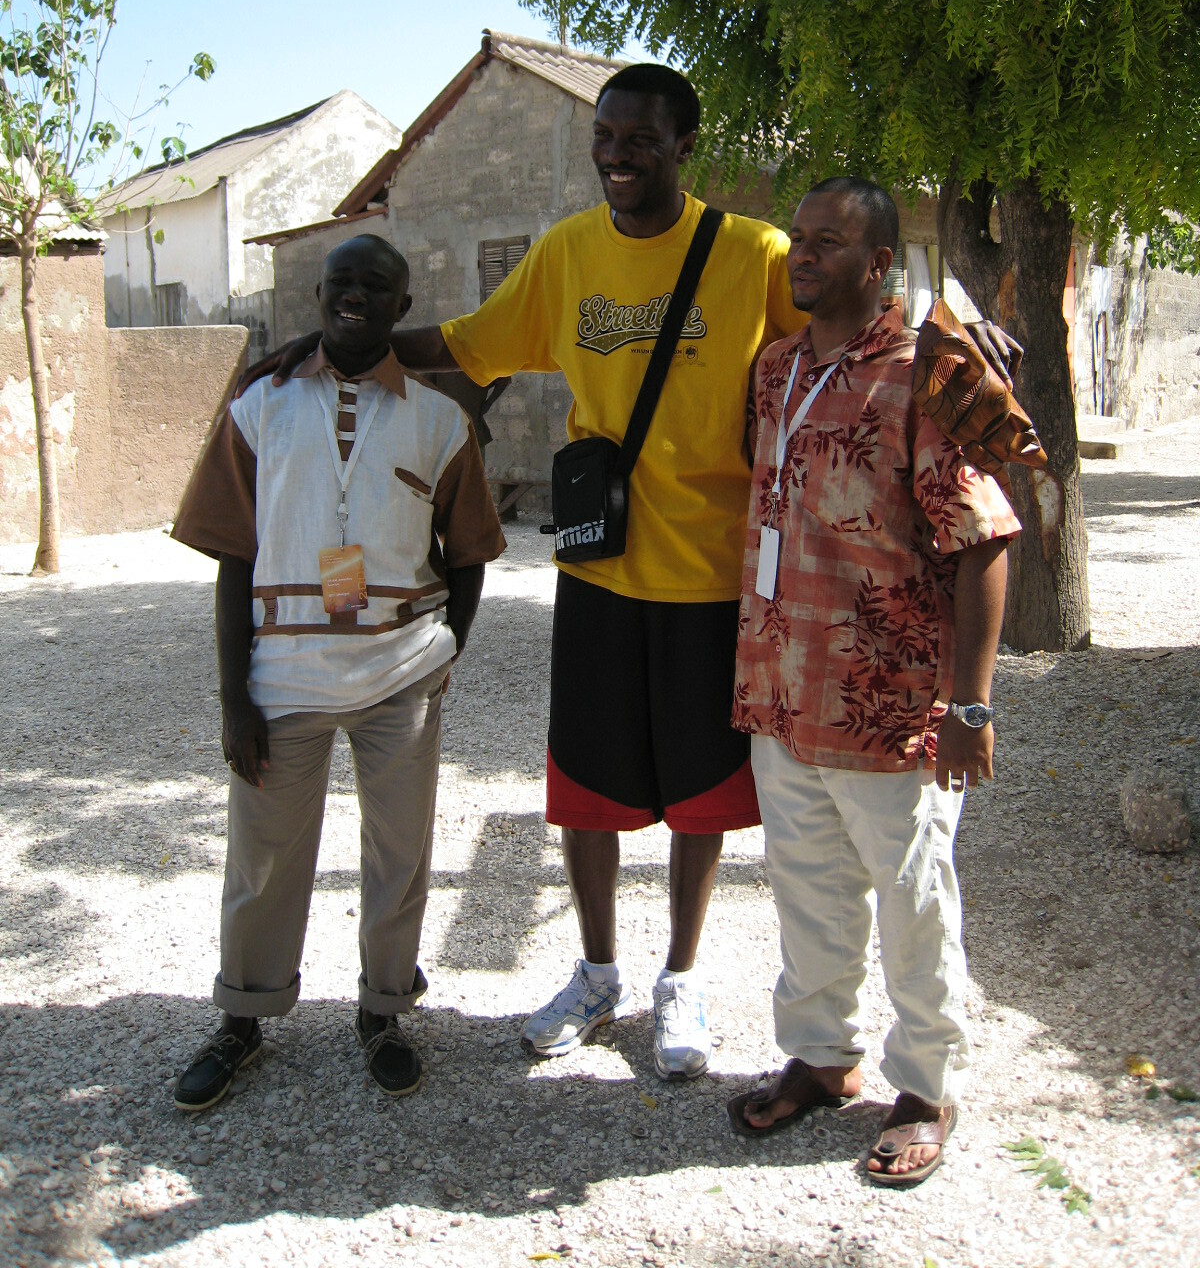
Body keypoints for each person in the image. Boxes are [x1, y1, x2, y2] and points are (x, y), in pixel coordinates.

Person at [251, 66, 1021, 1084]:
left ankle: (681, 978)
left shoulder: (752, 254)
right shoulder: (568, 253)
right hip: (601, 568)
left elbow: (849, 313)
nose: (617, 155)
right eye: (606, 138)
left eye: (640, 140)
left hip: (715, 578)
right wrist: (343, 341)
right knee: (585, 789)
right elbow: (469, 347)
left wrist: (951, 333)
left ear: (683, 146)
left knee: (702, 798)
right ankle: (597, 971)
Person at [725, 178, 1019, 1187]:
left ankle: (928, 1086)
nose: (803, 256)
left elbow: (983, 539)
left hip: (889, 705)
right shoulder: (776, 367)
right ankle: (822, 1056)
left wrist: (969, 704)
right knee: (807, 888)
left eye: (829, 242)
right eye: (798, 238)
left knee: (911, 901)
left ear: (880, 262)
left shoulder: (924, 375)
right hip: (782, 687)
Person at [170, 234, 505, 1110]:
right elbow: (233, 558)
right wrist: (233, 697)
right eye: (340, 282)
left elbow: (470, 552)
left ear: (402, 306)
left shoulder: (440, 420)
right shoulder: (261, 404)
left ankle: (383, 1012)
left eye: (375, 285)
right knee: (263, 858)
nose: (355, 294)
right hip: (283, 681)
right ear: (318, 296)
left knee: (400, 855)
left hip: (400, 678)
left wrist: (446, 649)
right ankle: (243, 1018)